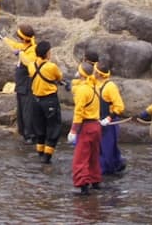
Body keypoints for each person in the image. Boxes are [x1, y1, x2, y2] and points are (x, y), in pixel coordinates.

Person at [68, 60, 102, 195]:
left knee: (80, 158)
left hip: (86, 127)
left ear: (81, 74)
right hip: (96, 126)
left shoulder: (83, 90)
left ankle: (83, 186)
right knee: (93, 156)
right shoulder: (94, 86)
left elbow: (79, 112)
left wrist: (73, 130)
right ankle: (95, 181)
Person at [29, 41, 63, 164]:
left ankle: (40, 153)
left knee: (39, 127)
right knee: (53, 126)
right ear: (47, 53)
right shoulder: (51, 66)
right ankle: (47, 156)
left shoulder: (31, 66)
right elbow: (59, 77)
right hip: (49, 100)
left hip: (36, 101)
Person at [3, 25, 37, 144]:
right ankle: (23, 132)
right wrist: (3, 38)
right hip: (21, 86)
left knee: (28, 111)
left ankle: (30, 135)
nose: (18, 40)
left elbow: (29, 63)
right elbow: (15, 46)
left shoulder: (33, 50)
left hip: (27, 86)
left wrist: (20, 54)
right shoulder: (24, 46)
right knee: (21, 111)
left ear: (24, 39)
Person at [94, 58, 127, 176]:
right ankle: (117, 165)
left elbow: (120, 107)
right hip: (97, 121)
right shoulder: (94, 82)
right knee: (100, 148)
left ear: (98, 73)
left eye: (94, 70)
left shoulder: (110, 86)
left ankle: (106, 171)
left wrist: (108, 118)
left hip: (109, 123)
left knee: (107, 148)